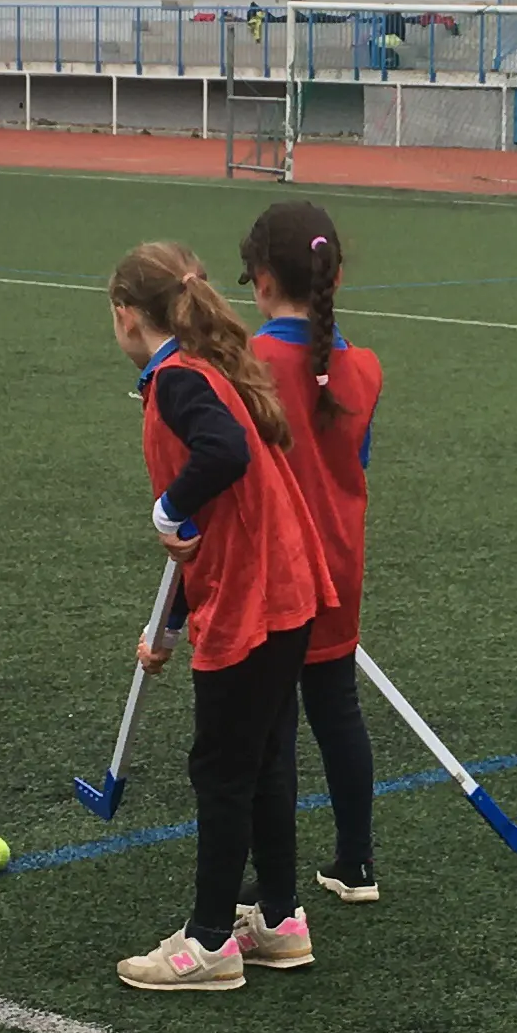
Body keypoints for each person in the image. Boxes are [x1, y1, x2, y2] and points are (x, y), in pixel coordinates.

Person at [110, 243, 333, 994]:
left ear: (126, 316)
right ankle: (278, 918)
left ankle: (209, 941)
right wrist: (169, 626)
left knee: (224, 769)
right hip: (281, 590)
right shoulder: (205, 370)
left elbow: (224, 455)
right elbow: (208, 527)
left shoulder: (179, 379)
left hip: (254, 600)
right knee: (265, 758)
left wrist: (167, 507)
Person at [241, 199, 388, 901]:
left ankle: (268, 884)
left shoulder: (250, 362)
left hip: (277, 570)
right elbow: (356, 457)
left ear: (264, 279)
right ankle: (355, 862)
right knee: (336, 710)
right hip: (340, 559)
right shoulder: (363, 367)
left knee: (269, 729)